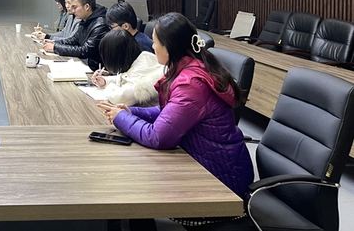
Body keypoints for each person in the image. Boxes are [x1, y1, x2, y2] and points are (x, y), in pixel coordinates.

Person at [97, 13, 253, 206]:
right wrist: (131, 112)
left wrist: (121, 118)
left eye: (155, 42)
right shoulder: (188, 69)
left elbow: (158, 137)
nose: (152, 47)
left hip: (220, 178)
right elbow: (169, 112)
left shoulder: (191, 84)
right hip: (206, 161)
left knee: (128, 180)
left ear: (169, 48)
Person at [91, 29, 163, 106]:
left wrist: (108, 87)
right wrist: (105, 81)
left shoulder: (141, 69)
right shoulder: (140, 58)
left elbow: (120, 98)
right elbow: (124, 78)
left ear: (114, 56)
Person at [43, 0, 109, 70]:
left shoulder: (100, 25)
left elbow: (85, 50)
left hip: (95, 68)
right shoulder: (85, 19)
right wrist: (55, 43)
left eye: (75, 7)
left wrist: (56, 48)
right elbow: (74, 40)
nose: (73, 10)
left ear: (87, 7)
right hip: (86, 63)